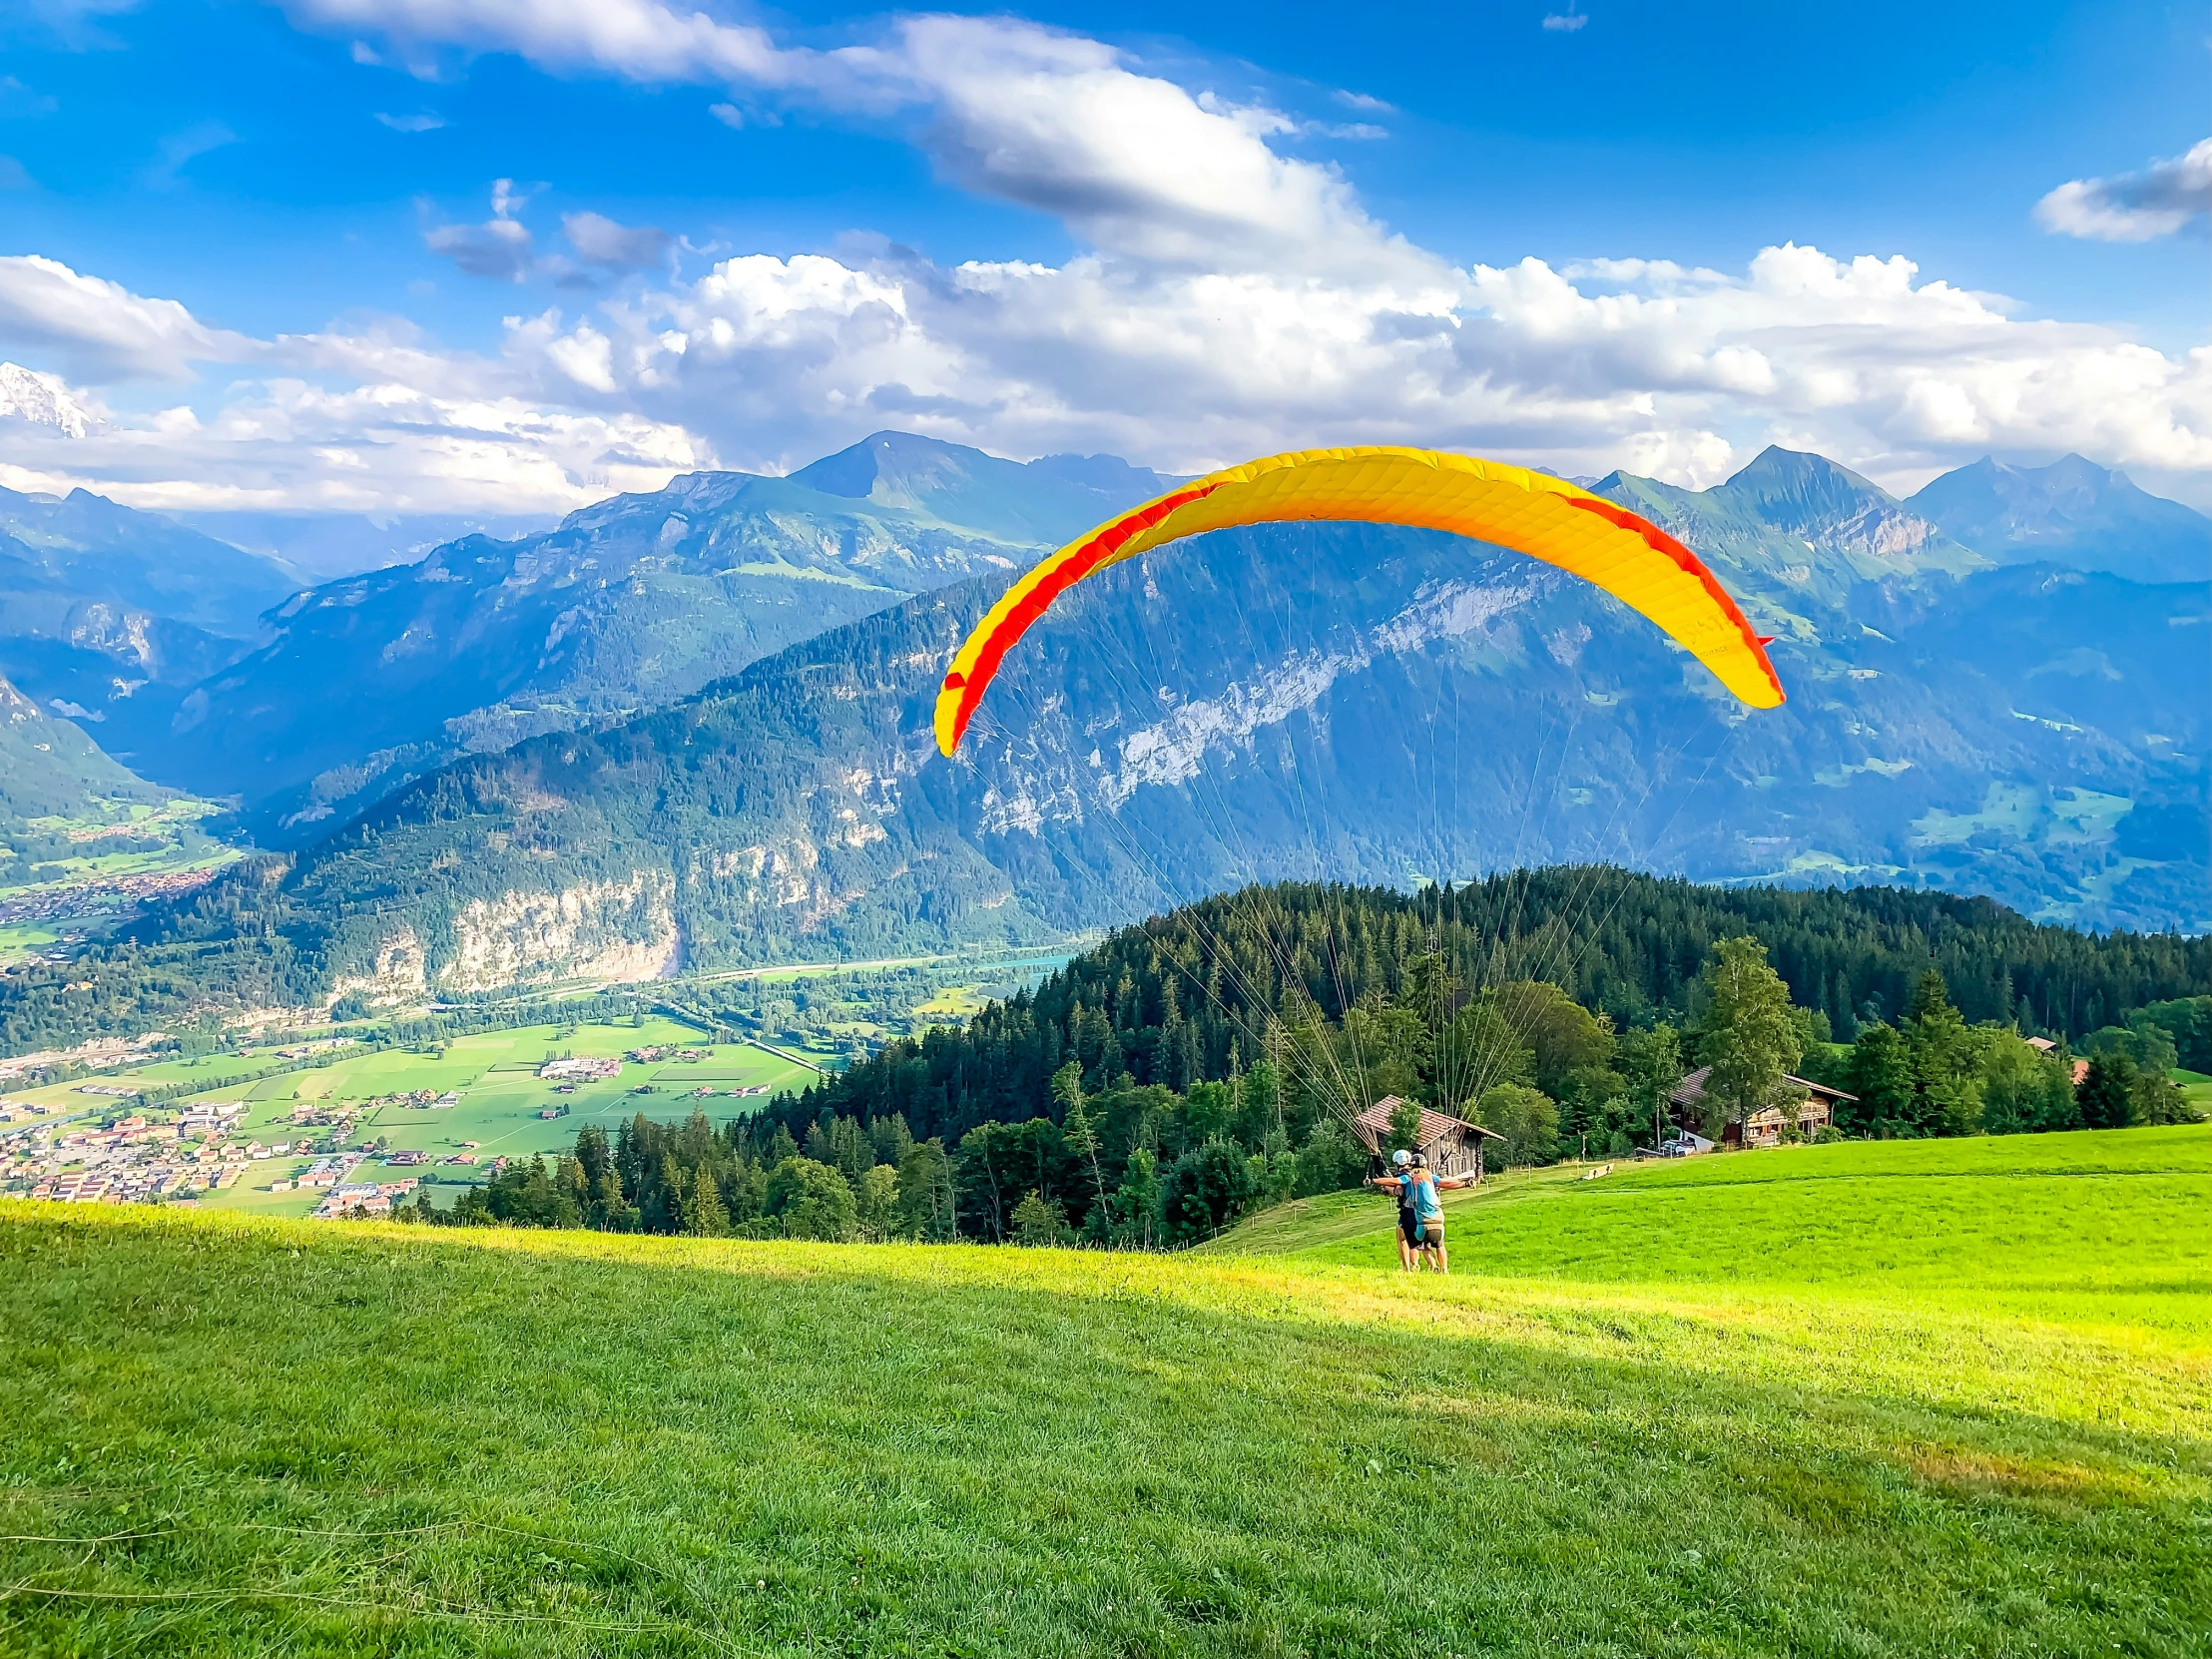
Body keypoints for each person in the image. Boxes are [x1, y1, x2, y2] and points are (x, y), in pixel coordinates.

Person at [1376, 1150, 1477, 1273]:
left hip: (1419, 1219)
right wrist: (1465, 1184)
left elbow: (1395, 1185)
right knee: (1440, 1245)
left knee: (1418, 1244)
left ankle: (1414, 1267)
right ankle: (1444, 1270)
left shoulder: (1408, 1177)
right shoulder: (1431, 1177)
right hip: (1437, 1217)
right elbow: (1448, 1183)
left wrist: (1375, 1181)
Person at [1369, 1148, 1421, 1270]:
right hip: (1417, 1210)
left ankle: (1407, 1268)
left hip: (1406, 1212)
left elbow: (1398, 1192)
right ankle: (1416, 1265)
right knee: (1414, 1241)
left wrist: (1386, 1187)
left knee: (1402, 1239)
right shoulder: (1415, 1174)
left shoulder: (1401, 1176)